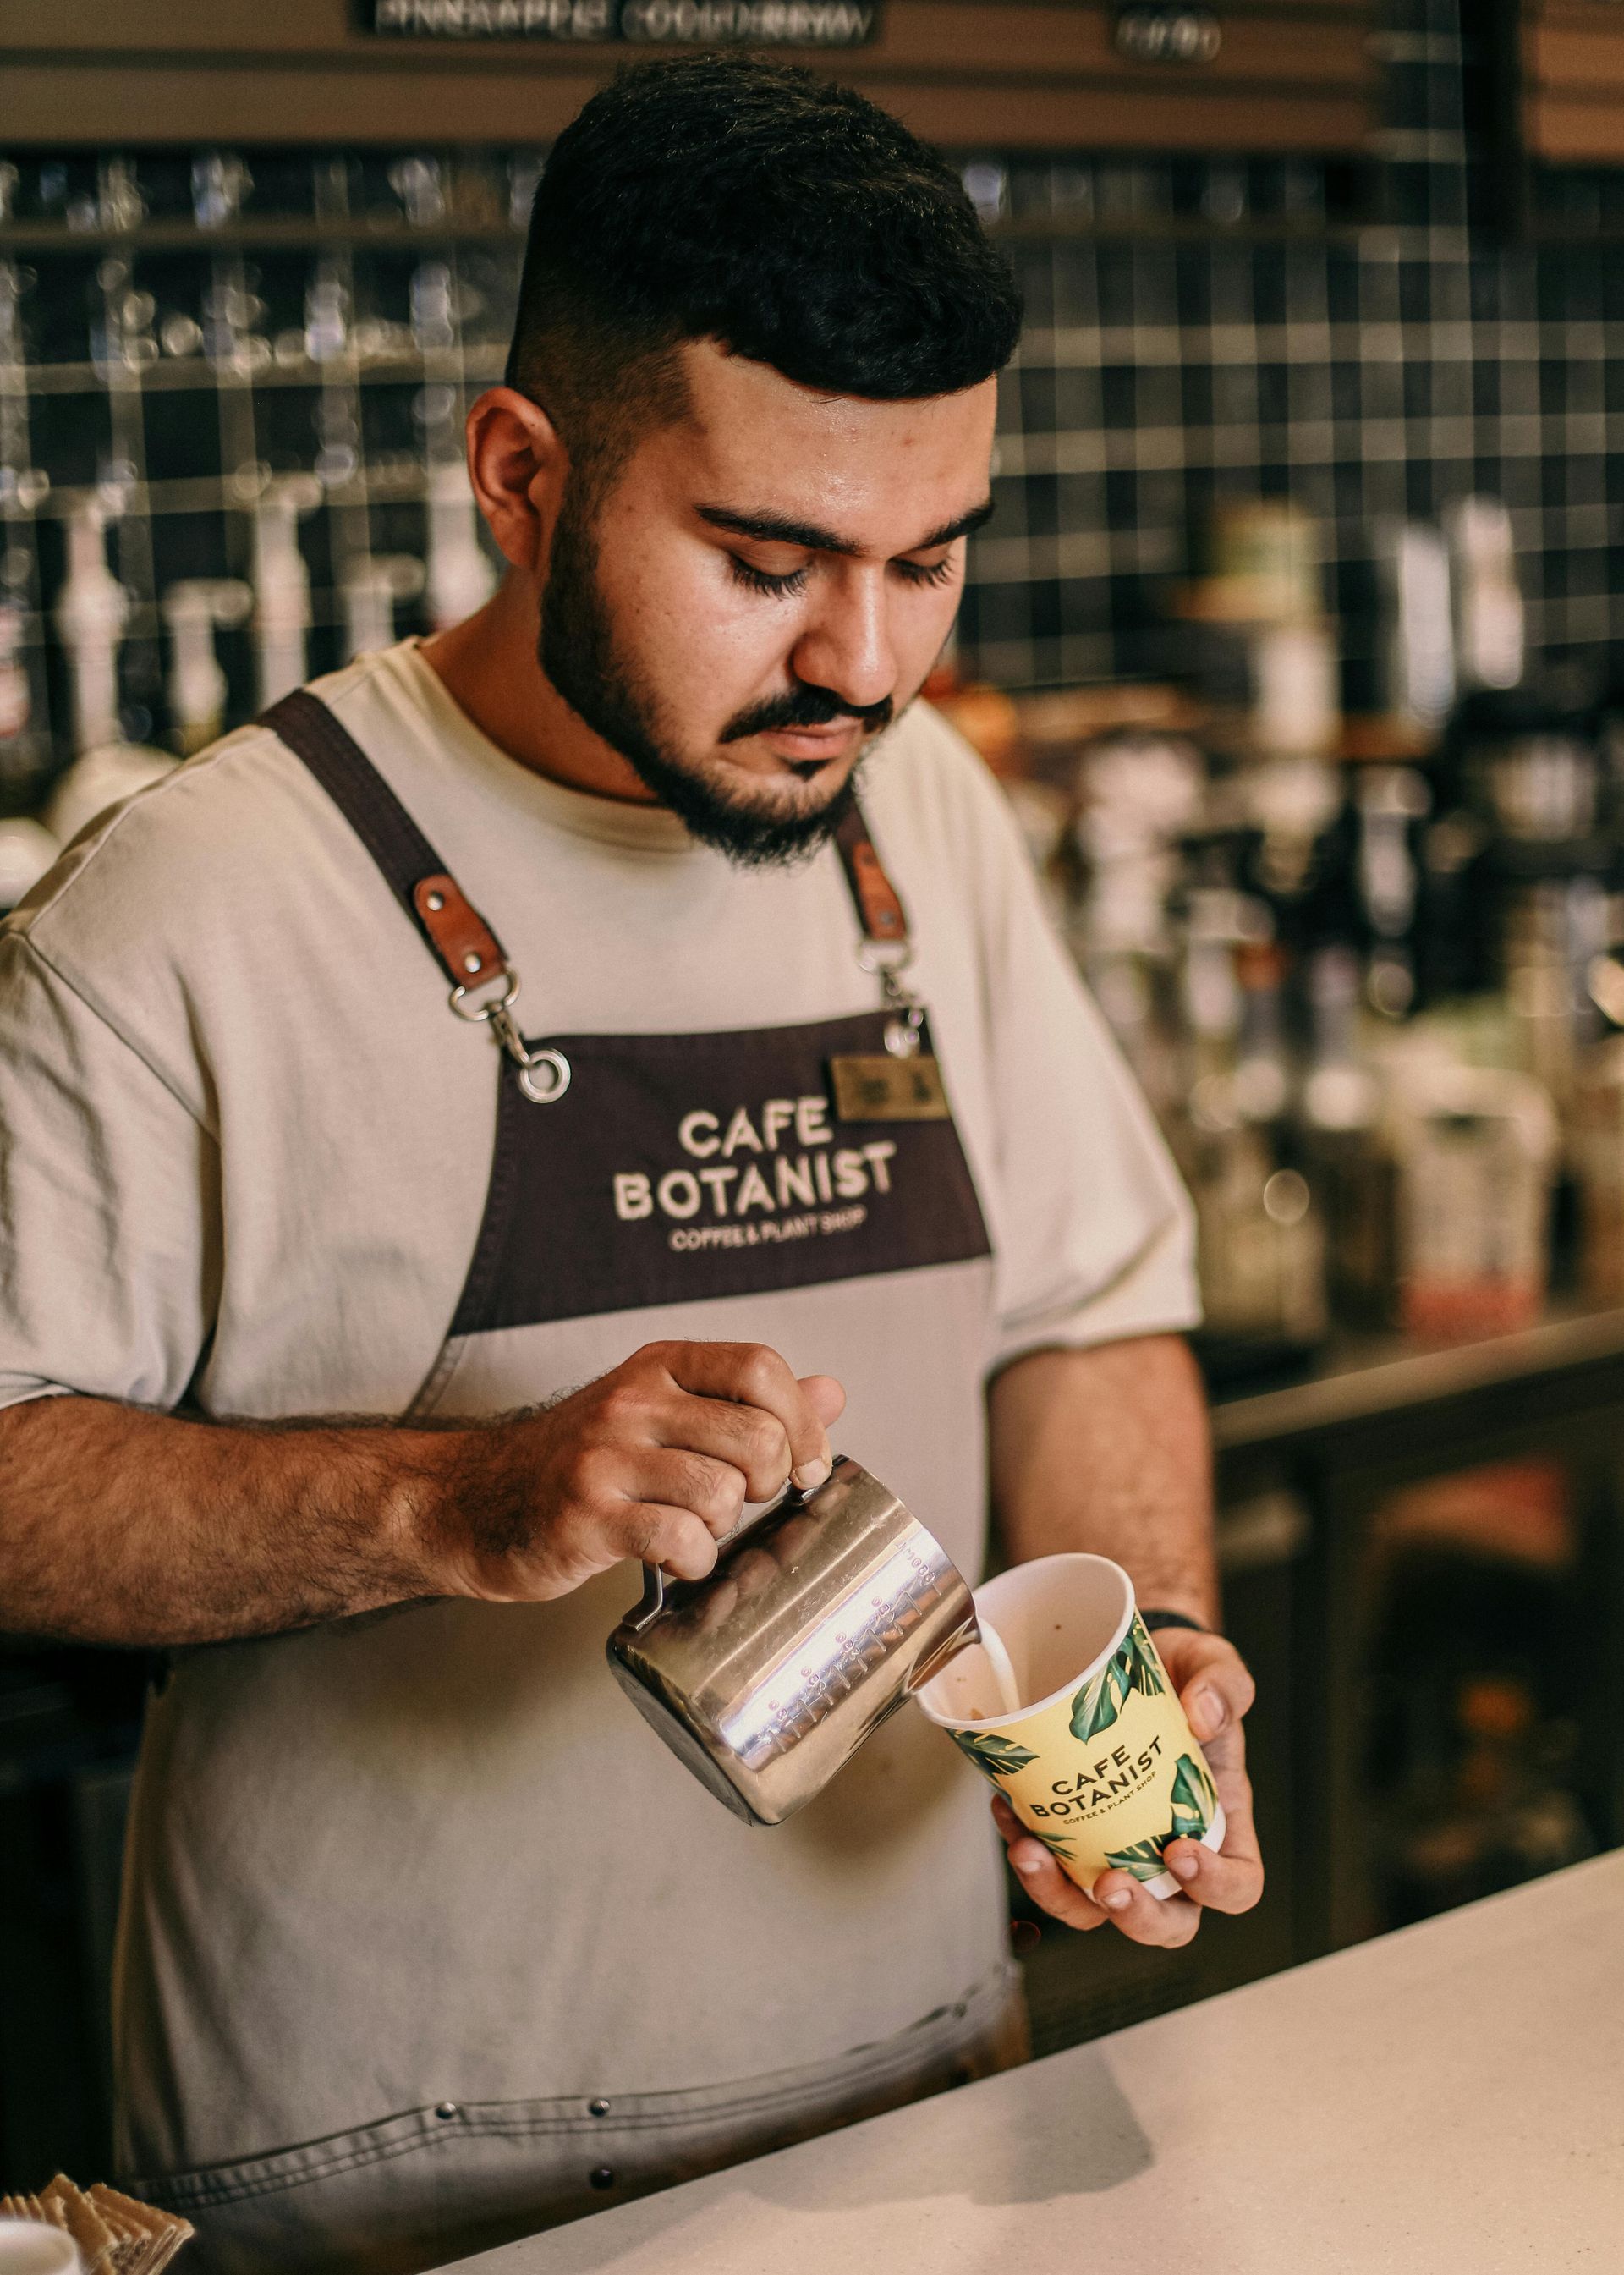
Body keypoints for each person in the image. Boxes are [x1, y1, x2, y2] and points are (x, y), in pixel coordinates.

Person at [0, 54, 1261, 2275]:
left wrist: (1146, 1632)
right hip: (398, 2182)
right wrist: (452, 1499)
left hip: (929, 2085)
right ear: (524, 472)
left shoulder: (920, 826)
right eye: (768, 561)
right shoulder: (195, 902)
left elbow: (1088, 1309)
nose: (864, 664)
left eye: (928, 559)